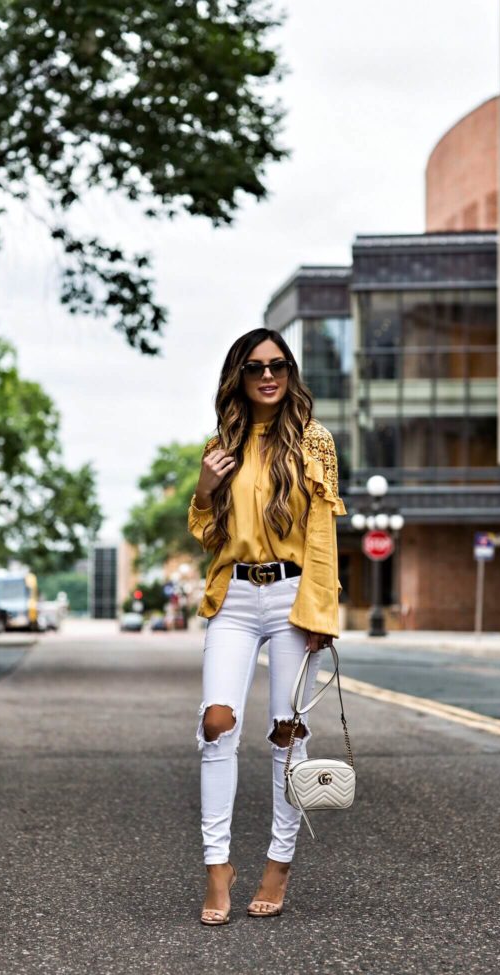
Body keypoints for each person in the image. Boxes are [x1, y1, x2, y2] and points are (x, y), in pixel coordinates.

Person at [187, 327, 346, 926]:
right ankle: (216, 866)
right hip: (234, 595)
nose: (268, 375)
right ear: (239, 377)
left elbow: (323, 531)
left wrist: (320, 611)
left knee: (287, 731)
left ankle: (279, 863)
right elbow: (207, 536)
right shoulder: (221, 444)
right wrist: (206, 489)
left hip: (291, 596)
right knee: (216, 722)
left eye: (278, 365)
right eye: (255, 368)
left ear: (290, 372)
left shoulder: (314, 442)